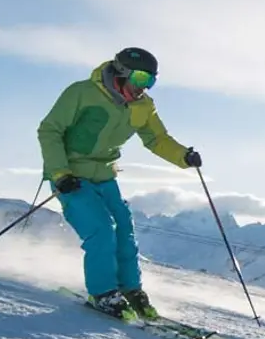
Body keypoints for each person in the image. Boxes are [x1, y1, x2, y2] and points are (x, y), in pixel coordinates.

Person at [38, 47, 200, 320]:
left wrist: (184, 156)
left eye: (150, 81)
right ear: (121, 73)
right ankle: (102, 293)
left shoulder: (143, 106)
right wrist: (59, 173)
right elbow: (50, 130)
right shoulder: (82, 93)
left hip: (105, 174)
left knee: (124, 227)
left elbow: (156, 139)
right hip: (71, 176)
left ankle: (131, 289)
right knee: (101, 229)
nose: (143, 88)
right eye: (139, 79)